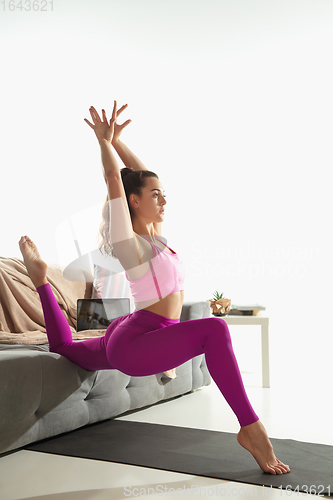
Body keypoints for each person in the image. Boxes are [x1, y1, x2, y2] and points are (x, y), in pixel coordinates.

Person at [18, 101, 290, 475]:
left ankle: (40, 282)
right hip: (136, 341)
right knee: (215, 327)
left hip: (137, 334)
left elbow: (138, 177)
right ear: (134, 201)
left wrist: (120, 141)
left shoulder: (157, 238)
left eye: (163, 193)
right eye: (156, 195)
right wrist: (103, 144)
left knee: (67, 348)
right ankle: (251, 427)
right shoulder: (128, 243)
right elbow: (117, 179)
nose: (164, 199)